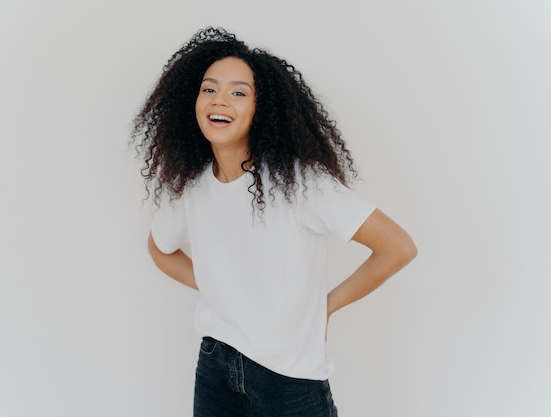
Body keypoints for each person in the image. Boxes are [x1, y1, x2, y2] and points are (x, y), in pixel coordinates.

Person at [131, 26, 417, 417]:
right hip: (216, 366)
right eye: (209, 89)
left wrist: (326, 307)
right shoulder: (192, 188)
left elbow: (397, 248)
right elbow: (159, 248)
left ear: (260, 108)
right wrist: (219, 286)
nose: (220, 101)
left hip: (289, 380)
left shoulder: (301, 183)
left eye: (238, 92)